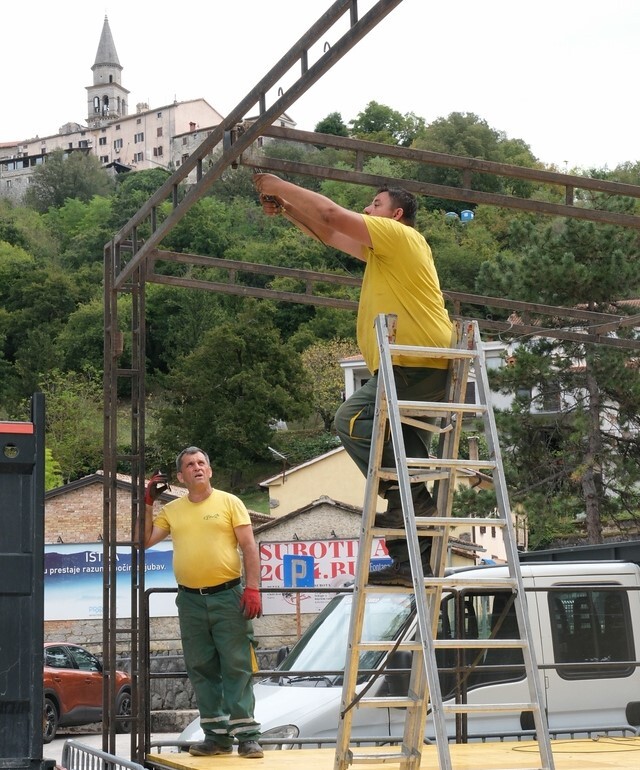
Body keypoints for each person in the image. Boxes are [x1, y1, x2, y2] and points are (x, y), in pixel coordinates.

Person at [253, 174, 453, 587]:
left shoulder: (400, 236)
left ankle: (412, 503)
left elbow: (330, 213)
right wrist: (288, 209)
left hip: (413, 362)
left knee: (350, 419)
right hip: (412, 365)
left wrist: (280, 184)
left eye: (374, 204)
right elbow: (329, 233)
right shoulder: (386, 253)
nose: (367, 209)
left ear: (396, 215)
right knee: (405, 455)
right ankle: (412, 558)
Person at [141, 447, 263, 759]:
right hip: (191, 600)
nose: (196, 468)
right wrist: (148, 503)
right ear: (181, 476)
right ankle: (216, 737)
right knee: (201, 667)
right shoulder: (173, 510)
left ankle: (247, 736)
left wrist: (252, 589)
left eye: (201, 463)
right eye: (189, 465)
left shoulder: (230, 502)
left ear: (209, 470)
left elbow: (249, 546)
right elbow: (144, 541)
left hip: (228, 595)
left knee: (236, 665)